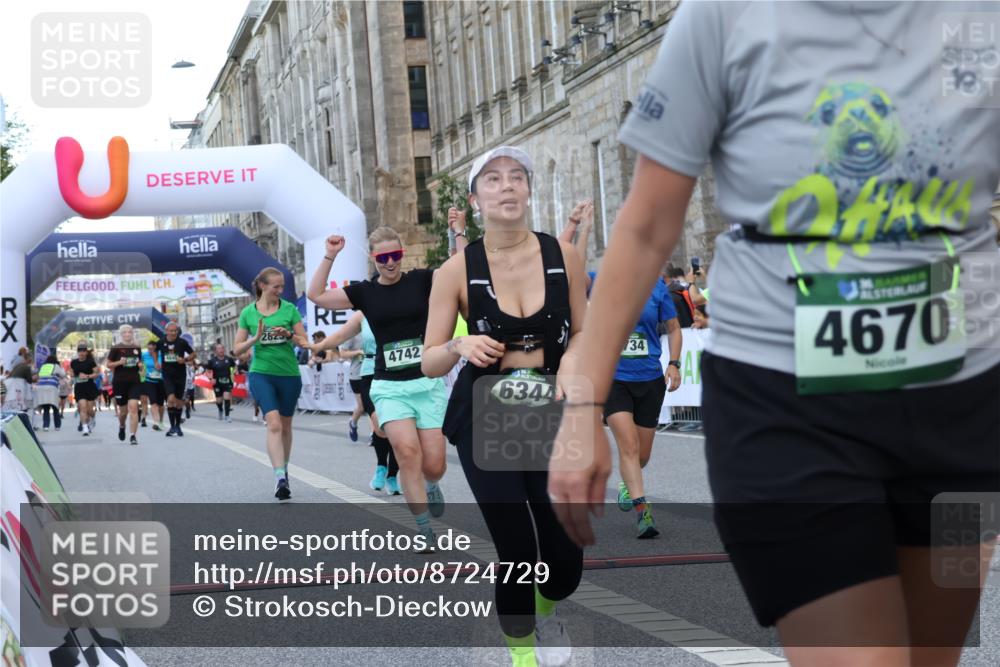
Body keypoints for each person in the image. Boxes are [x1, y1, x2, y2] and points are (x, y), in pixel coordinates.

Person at [548, 2, 1000, 665]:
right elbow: (645, 227)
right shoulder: (724, 19)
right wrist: (585, 404)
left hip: (960, 413)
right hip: (785, 407)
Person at [422, 146, 588, 667]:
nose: (507, 185)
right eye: (493, 179)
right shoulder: (454, 271)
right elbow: (428, 360)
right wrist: (459, 345)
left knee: (565, 559)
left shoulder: (565, 256)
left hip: (552, 406)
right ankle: (523, 658)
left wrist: (569, 365)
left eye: (517, 177)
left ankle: (543, 610)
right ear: (475, 201)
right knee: (517, 550)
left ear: (529, 191)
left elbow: (583, 333)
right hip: (487, 408)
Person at [308, 226, 448, 551]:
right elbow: (316, 295)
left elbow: (459, 271)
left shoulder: (422, 280)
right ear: (373, 258)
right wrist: (330, 255)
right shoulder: (365, 292)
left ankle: (432, 484)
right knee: (407, 453)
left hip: (426, 383)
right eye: (383, 257)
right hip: (388, 387)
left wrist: (455, 232)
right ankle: (424, 529)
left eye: (395, 255)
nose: (390, 263)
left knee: (435, 464)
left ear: (402, 253)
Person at [597, 274, 682, 538]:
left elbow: (675, 328)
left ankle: (627, 483)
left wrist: (674, 363)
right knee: (629, 447)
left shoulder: (657, 287)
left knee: (642, 454)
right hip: (614, 380)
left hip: (650, 379)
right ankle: (643, 512)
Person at [233, 267, 309, 500]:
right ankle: (279, 477)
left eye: (282, 286)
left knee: (286, 426)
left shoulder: (289, 310)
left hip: (288, 374)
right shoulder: (248, 313)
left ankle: (283, 467)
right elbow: (237, 349)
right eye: (276, 286)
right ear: (263, 286)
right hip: (261, 373)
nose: (280, 290)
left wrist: (289, 336)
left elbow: (304, 341)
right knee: (273, 423)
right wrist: (254, 339)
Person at [309, 312, 401, 494]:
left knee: (397, 427)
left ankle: (392, 475)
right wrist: (316, 345)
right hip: (364, 373)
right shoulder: (361, 316)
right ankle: (381, 465)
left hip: (394, 373)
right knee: (379, 425)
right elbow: (340, 346)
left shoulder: (399, 311)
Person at [106, 324, 144, 445]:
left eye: (130, 332)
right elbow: (108, 364)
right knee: (123, 412)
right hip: (120, 383)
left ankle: (133, 435)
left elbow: (140, 362)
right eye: (125, 332)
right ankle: (122, 426)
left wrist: (140, 365)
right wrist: (119, 362)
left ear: (132, 333)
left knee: (133, 407)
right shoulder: (116, 348)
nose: (128, 334)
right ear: (121, 334)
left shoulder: (137, 348)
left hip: (134, 381)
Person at [157, 322, 196, 437]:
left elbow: (193, 354)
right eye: (171, 330)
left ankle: (177, 426)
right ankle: (172, 426)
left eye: (175, 331)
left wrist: (185, 359)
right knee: (170, 399)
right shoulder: (161, 342)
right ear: (166, 331)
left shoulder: (182, 342)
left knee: (179, 402)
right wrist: (156, 362)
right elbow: (154, 350)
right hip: (167, 375)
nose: (173, 333)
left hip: (180, 375)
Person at [69, 342, 99, 436]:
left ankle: (93, 418)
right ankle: (85, 427)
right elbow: (71, 373)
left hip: (89, 386)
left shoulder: (91, 362)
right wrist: (72, 375)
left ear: (86, 352)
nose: (81, 353)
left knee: (90, 410)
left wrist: (88, 375)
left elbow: (97, 374)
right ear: (77, 352)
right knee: (83, 407)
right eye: (80, 351)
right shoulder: (74, 362)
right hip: (79, 387)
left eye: (83, 351)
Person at [204, 343, 237, 423]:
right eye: (219, 348)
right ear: (216, 351)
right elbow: (207, 371)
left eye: (222, 348)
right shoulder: (212, 361)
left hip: (227, 381)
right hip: (217, 383)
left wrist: (233, 373)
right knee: (219, 400)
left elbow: (235, 367)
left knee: (227, 397)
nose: (221, 350)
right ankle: (220, 410)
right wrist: (211, 378)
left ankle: (227, 416)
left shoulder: (229, 359)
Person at [34, 354, 66, 432]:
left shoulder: (43, 366)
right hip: (51, 388)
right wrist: (60, 368)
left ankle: (46, 426)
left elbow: (38, 376)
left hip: (41, 388)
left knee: (46, 408)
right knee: (55, 407)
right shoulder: (55, 366)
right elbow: (63, 374)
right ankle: (57, 426)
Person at [141, 339, 166, 431]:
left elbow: (167, 366)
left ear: (155, 348)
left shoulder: (161, 355)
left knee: (160, 404)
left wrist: (161, 367)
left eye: (151, 349)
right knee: (153, 402)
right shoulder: (144, 355)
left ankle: (161, 421)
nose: (150, 351)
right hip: (149, 380)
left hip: (161, 380)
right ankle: (156, 422)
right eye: (148, 349)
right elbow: (140, 365)